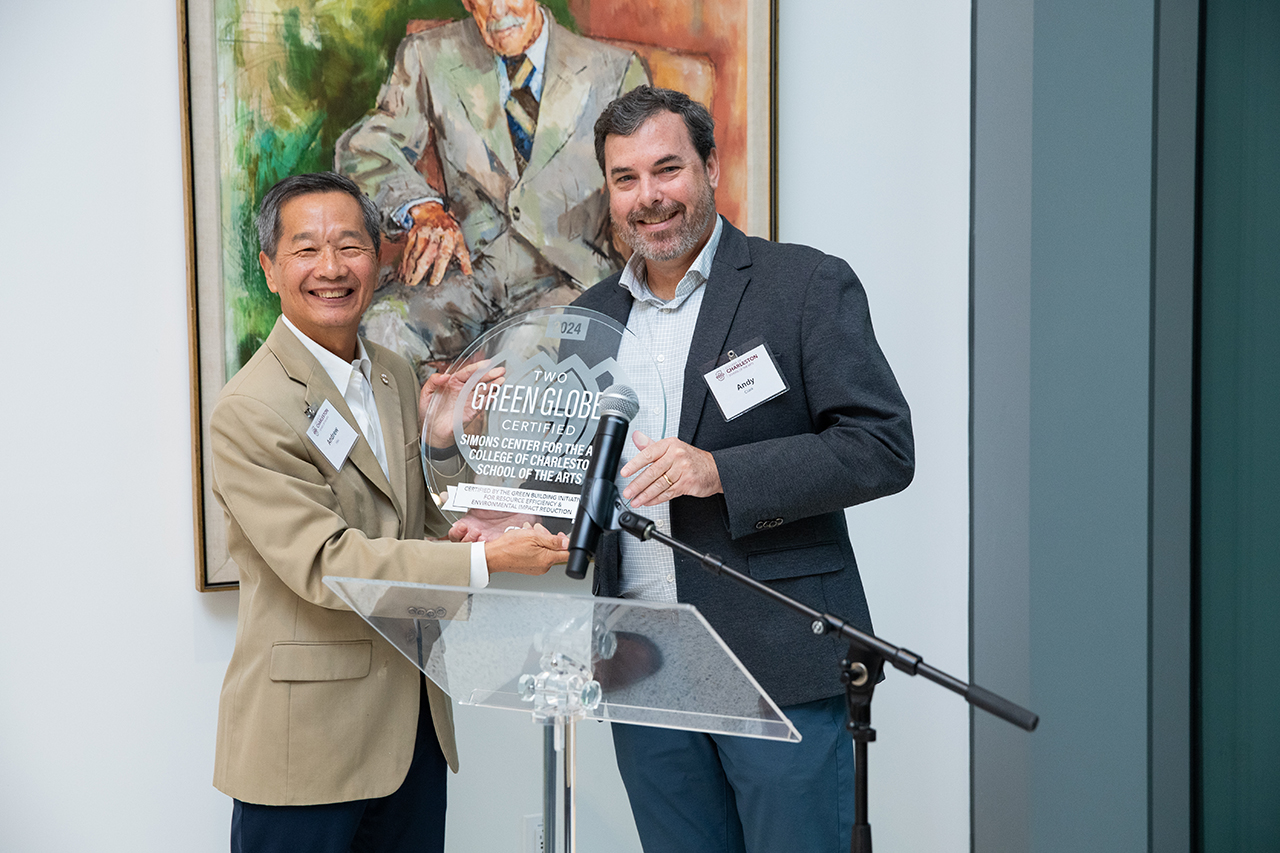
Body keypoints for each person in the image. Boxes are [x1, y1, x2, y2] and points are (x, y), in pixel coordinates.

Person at [572, 87, 915, 853]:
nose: (649, 197)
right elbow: (578, 475)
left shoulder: (803, 286)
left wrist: (721, 471)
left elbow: (882, 446)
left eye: (667, 169)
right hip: (641, 662)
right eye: (625, 179)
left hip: (776, 653)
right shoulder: (590, 319)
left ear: (711, 167)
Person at [209, 171, 569, 853]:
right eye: (307, 249)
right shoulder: (250, 408)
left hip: (412, 732)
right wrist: (484, 559)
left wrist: (442, 445)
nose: (332, 267)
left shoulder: (395, 375)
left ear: (378, 258)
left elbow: (417, 527)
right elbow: (328, 562)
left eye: (350, 245)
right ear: (269, 267)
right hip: (305, 746)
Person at [336, 0, 649, 378]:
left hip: (569, 278)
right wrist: (421, 208)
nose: (498, 10)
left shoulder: (615, 70)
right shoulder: (427, 54)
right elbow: (365, 147)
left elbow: (645, 180)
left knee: (520, 361)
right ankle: (421, 438)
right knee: (381, 329)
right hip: (466, 272)